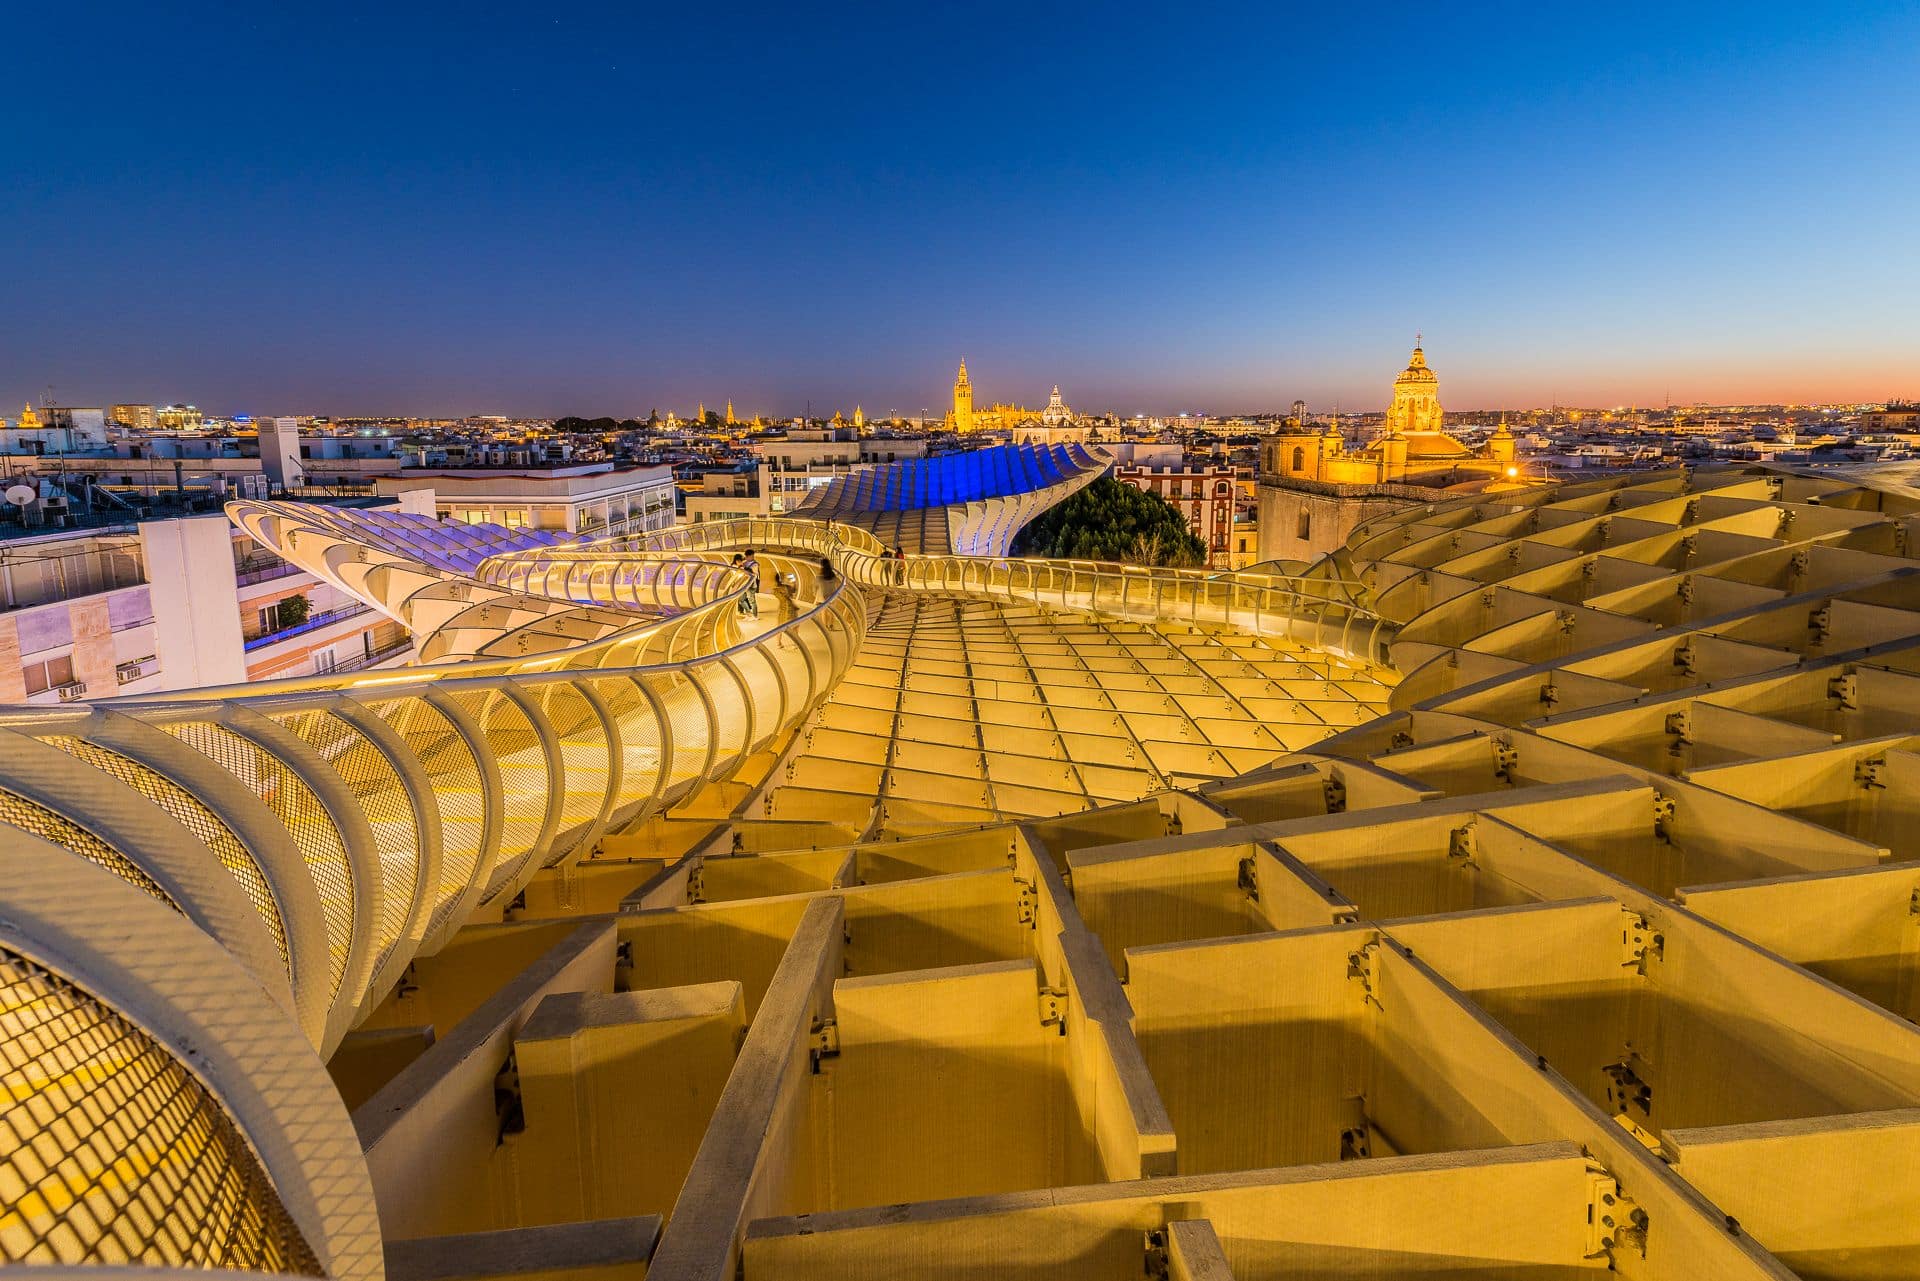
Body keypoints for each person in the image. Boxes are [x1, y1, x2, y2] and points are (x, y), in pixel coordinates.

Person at [739, 548, 761, 618]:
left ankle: (755, 616)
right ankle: (749, 613)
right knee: (741, 600)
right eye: (751, 556)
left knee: (752, 601)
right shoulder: (744, 563)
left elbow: (755, 574)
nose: (752, 557)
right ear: (747, 556)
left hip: (751, 585)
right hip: (744, 584)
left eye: (753, 556)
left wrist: (747, 570)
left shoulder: (755, 564)